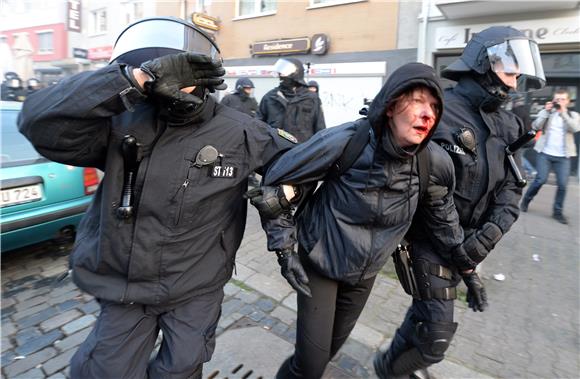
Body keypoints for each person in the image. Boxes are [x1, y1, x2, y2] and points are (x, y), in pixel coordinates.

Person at [18, 17, 295, 379]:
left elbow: (301, 164)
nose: (174, 82)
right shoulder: (121, 121)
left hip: (197, 283)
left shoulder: (240, 130)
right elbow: (38, 121)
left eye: (182, 69)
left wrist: (286, 197)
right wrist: (131, 80)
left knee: (180, 368)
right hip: (125, 285)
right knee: (103, 371)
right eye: (161, 69)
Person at [246, 62, 465, 379]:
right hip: (320, 261)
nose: (428, 114)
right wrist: (284, 249)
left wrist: (466, 263)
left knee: (327, 354)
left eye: (434, 106)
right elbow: (272, 191)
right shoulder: (345, 141)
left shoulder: (435, 162)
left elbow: (444, 215)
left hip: (365, 273)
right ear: (391, 105)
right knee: (310, 366)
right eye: (418, 101)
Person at [374, 26, 547, 379]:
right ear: (485, 63)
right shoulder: (439, 111)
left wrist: (483, 240)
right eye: (510, 71)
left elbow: (512, 190)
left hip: (468, 245)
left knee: (424, 314)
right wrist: (462, 252)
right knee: (436, 339)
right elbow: (419, 184)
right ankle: (389, 370)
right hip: (427, 240)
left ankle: (396, 360)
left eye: (518, 73)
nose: (515, 82)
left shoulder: (510, 124)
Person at [520, 88, 580, 224]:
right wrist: (546, 112)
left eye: (562, 99)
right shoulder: (547, 112)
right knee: (540, 180)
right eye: (557, 99)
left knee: (563, 185)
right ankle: (526, 200)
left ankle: (557, 212)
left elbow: (575, 128)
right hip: (545, 154)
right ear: (553, 100)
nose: (559, 102)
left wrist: (563, 113)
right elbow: (535, 126)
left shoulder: (573, 115)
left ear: (568, 101)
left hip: (563, 157)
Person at [258, 57, 325, 143]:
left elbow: (320, 128)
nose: (280, 76)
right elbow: (258, 125)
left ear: (295, 73)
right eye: (280, 73)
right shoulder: (270, 97)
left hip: (302, 150)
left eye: (283, 73)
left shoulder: (311, 98)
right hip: (276, 149)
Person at [510, 94, 537, 178]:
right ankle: (523, 173)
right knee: (519, 156)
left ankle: (531, 171)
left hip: (523, 139)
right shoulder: (524, 109)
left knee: (519, 156)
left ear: (514, 102)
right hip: (529, 138)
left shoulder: (516, 111)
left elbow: (516, 126)